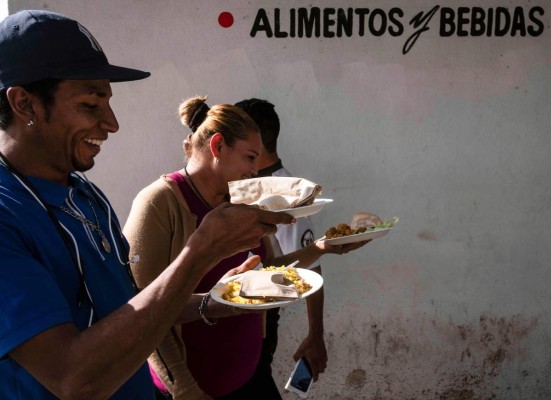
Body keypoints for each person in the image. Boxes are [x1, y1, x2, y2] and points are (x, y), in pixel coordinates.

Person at [0, 10, 293, 400]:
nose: (112, 122)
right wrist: (199, 253)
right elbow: (76, 380)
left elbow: (133, 310)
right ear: (25, 104)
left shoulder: (87, 197)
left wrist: (217, 301)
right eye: (91, 105)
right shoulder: (8, 216)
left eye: (109, 102)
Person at [123, 96, 366, 399]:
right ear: (218, 147)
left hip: (249, 379)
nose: (254, 170)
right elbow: (144, 315)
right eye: (250, 157)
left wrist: (322, 248)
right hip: (194, 388)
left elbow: (272, 272)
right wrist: (186, 389)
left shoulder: (241, 201)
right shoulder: (160, 203)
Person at [234, 99, 327, 385]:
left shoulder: (286, 195)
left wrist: (315, 334)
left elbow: (310, 267)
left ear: (255, 140)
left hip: (257, 321)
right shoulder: (238, 185)